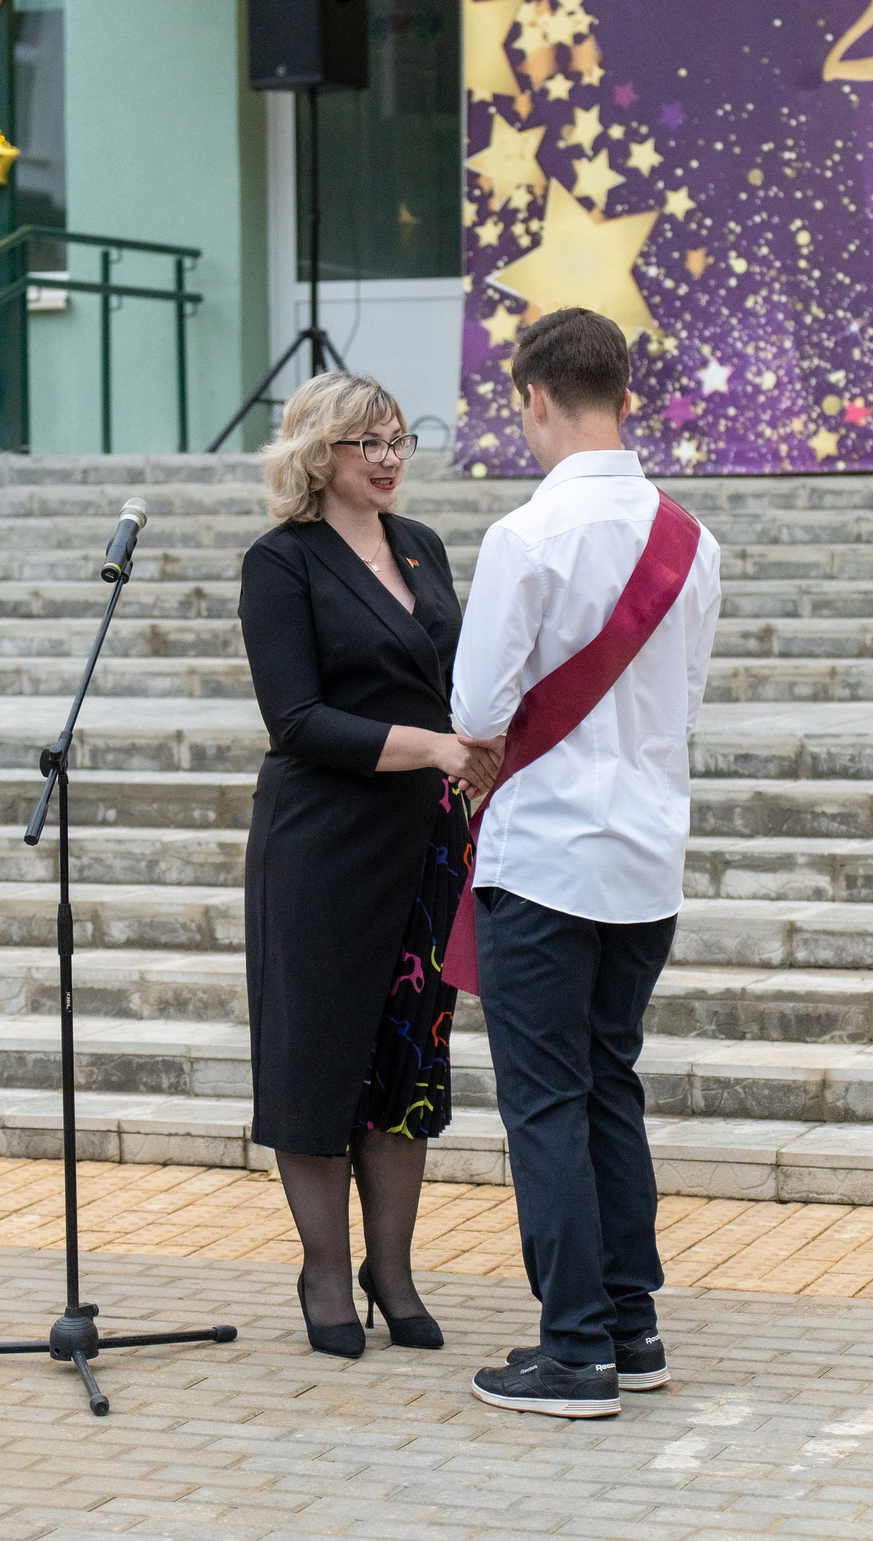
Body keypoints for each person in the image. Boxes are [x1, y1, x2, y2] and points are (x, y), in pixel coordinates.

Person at [449, 308, 723, 1418]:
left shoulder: (525, 537)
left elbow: (474, 712)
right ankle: (631, 1323)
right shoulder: (692, 542)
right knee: (610, 1086)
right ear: (625, 393)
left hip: (545, 857)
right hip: (645, 855)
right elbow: (685, 701)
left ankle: (574, 1353)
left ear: (532, 398)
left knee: (547, 1102)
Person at [237, 371, 502, 1359]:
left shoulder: (421, 547)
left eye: (399, 438)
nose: (390, 458)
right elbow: (295, 719)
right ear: (320, 455)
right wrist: (433, 745)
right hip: (321, 843)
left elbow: (463, 674)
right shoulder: (282, 562)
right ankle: (321, 1271)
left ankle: (390, 1272)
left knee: (406, 1061)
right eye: (368, 443)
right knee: (316, 1059)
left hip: (423, 839)